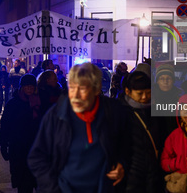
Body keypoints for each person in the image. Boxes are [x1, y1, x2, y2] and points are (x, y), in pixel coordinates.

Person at [28, 63, 129, 193]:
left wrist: (122, 164)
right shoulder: (56, 115)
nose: (75, 96)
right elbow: (36, 157)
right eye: (72, 88)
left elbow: (127, 144)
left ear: (97, 89)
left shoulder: (114, 112)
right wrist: (53, 188)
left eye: (82, 89)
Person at [121, 64, 165, 193]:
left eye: (148, 92)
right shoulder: (121, 112)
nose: (145, 97)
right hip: (131, 176)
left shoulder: (155, 112)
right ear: (128, 91)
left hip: (155, 174)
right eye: (140, 93)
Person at [0, 74, 41, 193]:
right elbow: (5, 125)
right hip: (18, 147)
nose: (29, 89)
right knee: (23, 182)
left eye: (31, 86)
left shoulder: (38, 102)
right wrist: (3, 144)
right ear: (21, 87)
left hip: (36, 147)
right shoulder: (13, 104)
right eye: (26, 86)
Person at [153, 63, 183, 138]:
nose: (165, 82)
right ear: (157, 81)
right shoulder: (152, 98)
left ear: (173, 80)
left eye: (168, 78)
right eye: (162, 78)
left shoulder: (180, 98)